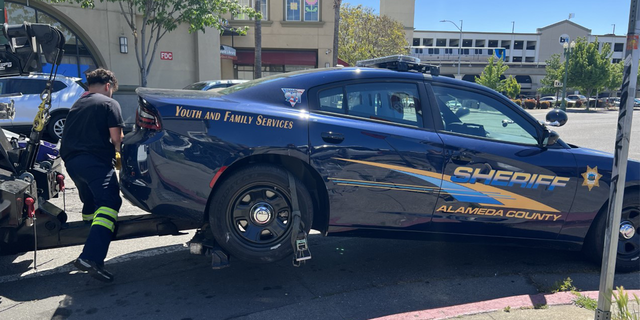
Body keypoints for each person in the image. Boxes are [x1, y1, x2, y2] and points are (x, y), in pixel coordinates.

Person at [60, 68, 124, 282]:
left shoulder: (78, 104)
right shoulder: (109, 103)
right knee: (110, 201)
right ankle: (91, 257)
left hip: (72, 163)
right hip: (94, 161)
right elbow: (117, 138)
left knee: (91, 203)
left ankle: (91, 232)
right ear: (108, 86)